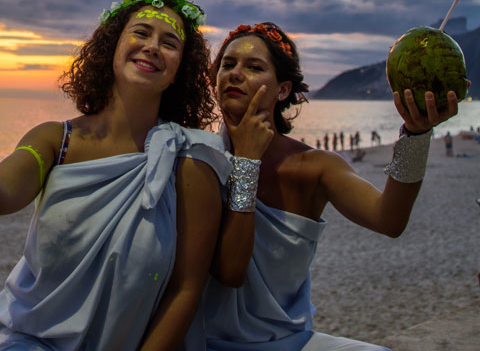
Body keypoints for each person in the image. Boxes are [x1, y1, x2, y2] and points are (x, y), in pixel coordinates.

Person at [0, 0, 231, 350]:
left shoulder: (190, 159)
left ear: (178, 71)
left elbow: (186, 289)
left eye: (169, 43)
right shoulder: (57, 141)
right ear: (112, 47)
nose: (152, 45)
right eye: (140, 32)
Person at [187, 22, 461, 350]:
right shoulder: (196, 158)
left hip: (289, 341)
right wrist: (247, 161)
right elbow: (230, 271)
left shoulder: (316, 167)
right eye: (227, 65)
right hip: (205, 341)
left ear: (283, 90)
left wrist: (416, 134)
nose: (235, 73)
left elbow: (389, 219)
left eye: (254, 66)